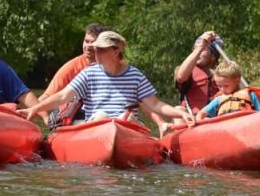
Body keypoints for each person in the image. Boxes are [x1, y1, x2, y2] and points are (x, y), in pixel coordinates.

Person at [19, 31, 194, 127]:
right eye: (95, 49)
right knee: (100, 115)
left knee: (124, 119)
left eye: (101, 49)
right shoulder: (89, 73)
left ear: (116, 51)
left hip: (126, 128)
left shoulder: (135, 75)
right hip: (96, 125)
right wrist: (35, 109)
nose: (96, 52)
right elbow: (63, 96)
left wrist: (179, 112)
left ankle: (125, 123)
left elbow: (155, 105)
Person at [38, 23, 110, 125]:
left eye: (93, 43)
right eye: (86, 41)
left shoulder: (112, 67)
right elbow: (44, 98)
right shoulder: (71, 67)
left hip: (103, 115)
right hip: (74, 116)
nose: (88, 46)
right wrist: (45, 118)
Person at [194, 60, 260, 121]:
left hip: (245, 125)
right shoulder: (219, 99)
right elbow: (201, 113)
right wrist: (202, 120)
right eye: (219, 86)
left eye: (226, 86)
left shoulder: (250, 95)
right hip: (225, 129)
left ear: (237, 81)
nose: (222, 89)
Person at [174, 30, 223, 113]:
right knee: (178, 109)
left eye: (203, 49)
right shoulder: (186, 71)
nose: (197, 52)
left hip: (216, 119)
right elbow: (181, 77)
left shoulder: (222, 76)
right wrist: (201, 46)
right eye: (195, 49)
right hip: (193, 119)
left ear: (213, 56)